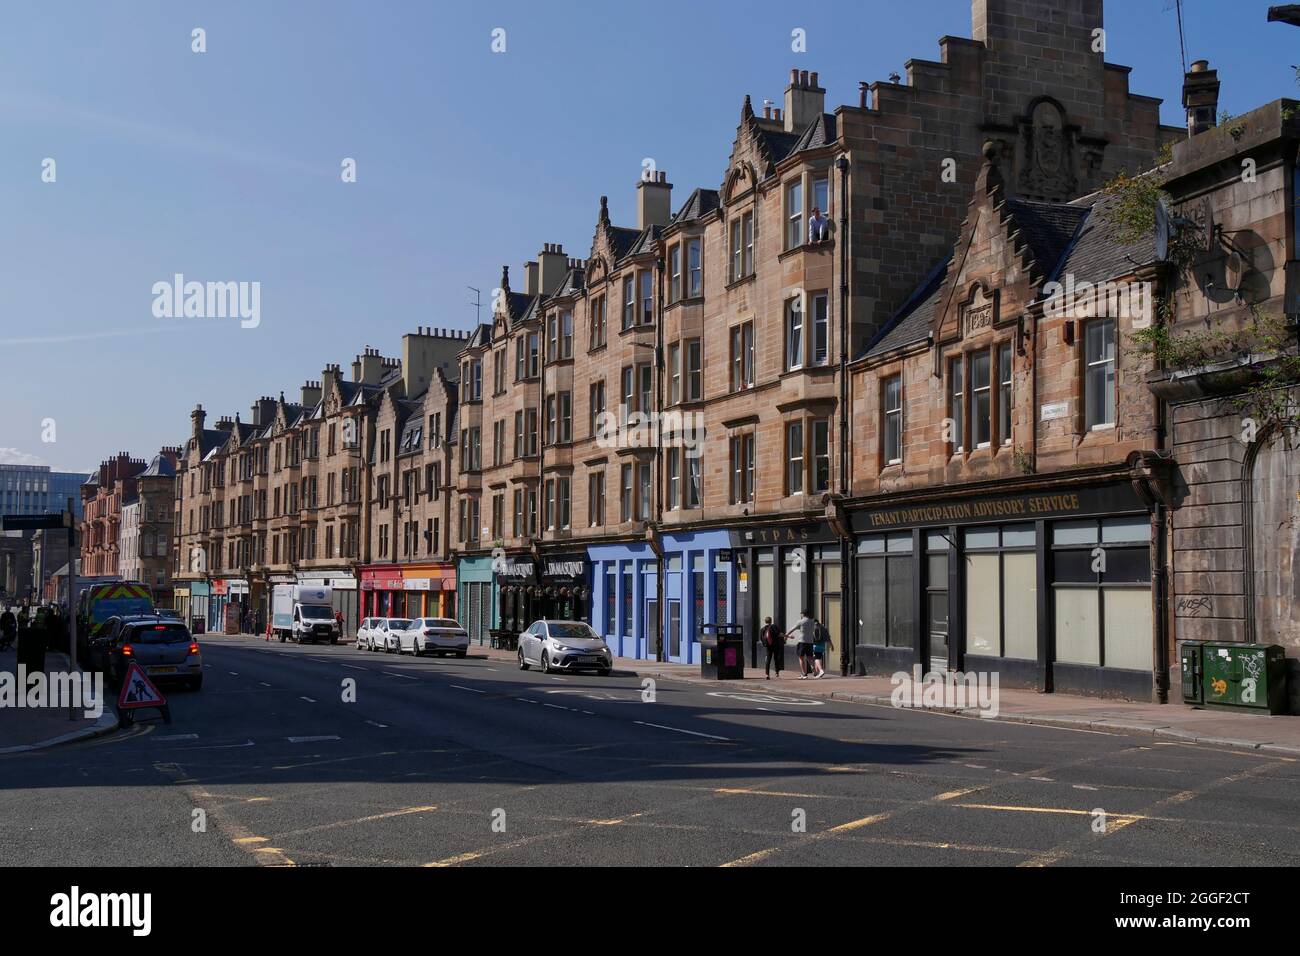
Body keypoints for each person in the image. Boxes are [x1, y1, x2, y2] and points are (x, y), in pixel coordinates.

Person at [789, 609, 819, 679]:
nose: (801, 615)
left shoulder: (801, 622)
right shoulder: (812, 621)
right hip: (810, 642)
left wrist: (786, 636)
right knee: (810, 658)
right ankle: (815, 672)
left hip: (802, 641)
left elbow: (792, 629)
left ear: (803, 614)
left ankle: (804, 674)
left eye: (801, 614)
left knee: (801, 658)